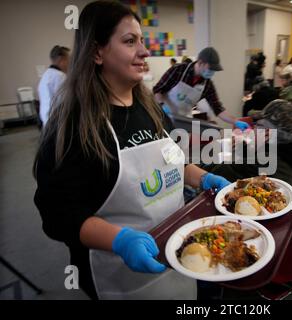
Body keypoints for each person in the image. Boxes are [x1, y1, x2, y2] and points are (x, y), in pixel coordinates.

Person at [33, 1, 231, 300]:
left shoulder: (149, 107)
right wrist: (120, 240)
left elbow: (174, 162)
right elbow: (58, 215)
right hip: (119, 276)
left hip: (178, 254)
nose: (144, 51)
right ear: (97, 52)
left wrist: (204, 178)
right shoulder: (74, 126)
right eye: (129, 41)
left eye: (141, 40)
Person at [209, 99, 292, 237]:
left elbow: (218, 172)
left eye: (259, 125)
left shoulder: (266, 161)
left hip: (283, 243)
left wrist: (236, 151)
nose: (253, 129)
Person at [153, 47, 249, 130]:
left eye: (214, 70)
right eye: (210, 68)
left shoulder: (207, 85)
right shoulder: (178, 70)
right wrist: (162, 106)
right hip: (162, 118)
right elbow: (157, 90)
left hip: (182, 122)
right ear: (200, 62)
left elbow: (218, 109)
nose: (212, 72)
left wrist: (235, 121)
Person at [37, 45, 70, 127]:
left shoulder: (45, 76)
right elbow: (67, 102)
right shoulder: (60, 77)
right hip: (58, 121)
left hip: (47, 119)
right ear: (61, 59)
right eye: (68, 59)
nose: (70, 63)